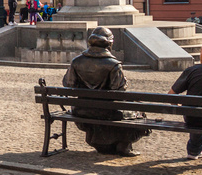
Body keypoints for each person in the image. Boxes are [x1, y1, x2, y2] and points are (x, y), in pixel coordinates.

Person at [63, 27, 148, 157]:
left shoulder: (76, 61)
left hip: (82, 111)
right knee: (138, 110)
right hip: (108, 112)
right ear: (109, 44)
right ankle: (124, 146)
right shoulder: (113, 64)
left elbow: (68, 84)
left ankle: (103, 144)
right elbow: (118, 91)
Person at [169, 41, 202, 159]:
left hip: (194, 119)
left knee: (196, 112)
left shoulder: (192, 70)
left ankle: (194, 151)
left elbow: (171, 95)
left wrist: (179, 106)